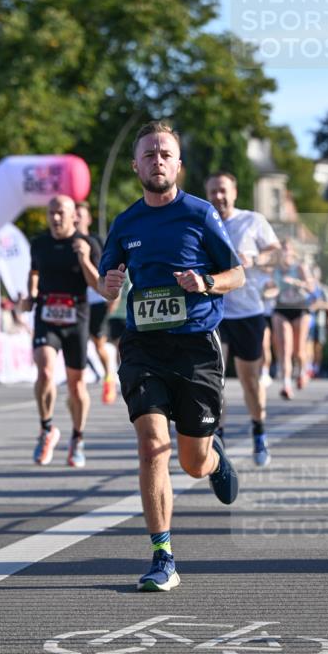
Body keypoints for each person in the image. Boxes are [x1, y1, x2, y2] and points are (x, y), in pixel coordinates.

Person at [97, 121, 245, 592]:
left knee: (191, 462)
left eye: (165, 154)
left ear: (178, 165)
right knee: (150, 446)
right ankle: (163, 555)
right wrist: (109, 284)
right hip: (144, 346)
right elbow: (105, 280)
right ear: (135, 165)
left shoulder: (200, 214)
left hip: (196, 347)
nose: (157, 161)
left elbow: (237, 274)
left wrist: (206, 282)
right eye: (149, 154)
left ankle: (213, 459)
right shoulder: (126, 222)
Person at [205, 172, 280, 467]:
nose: (218, 196)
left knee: (250, 380)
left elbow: (276, 255)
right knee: (215, 378)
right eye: (213, 191)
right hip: (215, 311)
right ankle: (219, 438)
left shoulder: (252, 221)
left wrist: (255, 260)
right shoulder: (203, 221)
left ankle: (258, 430)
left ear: (234, 192)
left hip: (249, 312)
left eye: (223, 190)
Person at [26, 195, 101, 468]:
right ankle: (46, 429)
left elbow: (97, 284)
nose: (55, 218)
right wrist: (31, 294)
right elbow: (34, 272)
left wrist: (84, 258)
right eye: (51, 213)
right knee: (45, 369)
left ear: (73, 216)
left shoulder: (87, 243)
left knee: (76, 385)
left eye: (61, 213)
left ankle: (77, 438)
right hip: (46, 315)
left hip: (76, 319)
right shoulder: (39, 244)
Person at [74, 200, 118, 404]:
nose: (76, 219)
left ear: (88, 219)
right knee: (78, 343)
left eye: (80, 215)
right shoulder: (67, 240)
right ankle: (78, 384)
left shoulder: (95, 240)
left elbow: (106, 269)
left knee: (98, 342)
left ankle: (109, 376)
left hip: (95, 299)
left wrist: (112, 295)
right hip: (75, 301)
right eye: (74, 215)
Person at [272, 240, 316, 399]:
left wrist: (296, 282)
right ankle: (286, 384)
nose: (285, 252)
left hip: (300, 309)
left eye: (287, 249)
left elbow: (311, 288)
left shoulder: (299, 268)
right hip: (281, 308)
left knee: (299, 350)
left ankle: (303, 371)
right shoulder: (275, 269)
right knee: (285, 349)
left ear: (293, 252)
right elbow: (269, 287)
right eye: (282, 249)